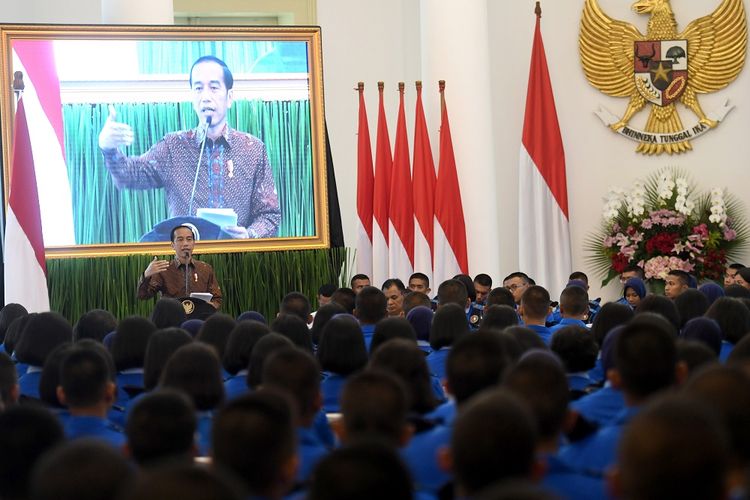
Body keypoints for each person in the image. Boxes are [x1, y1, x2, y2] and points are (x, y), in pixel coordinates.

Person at [98, 55, 280, 240]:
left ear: (229, 97)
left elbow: (269, 215)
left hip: (236, 261)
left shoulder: (253, 149)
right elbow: (129, 175)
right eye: (198, 88)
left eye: (214, 88)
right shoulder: (173, 147)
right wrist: (108, 148)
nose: (206, 97)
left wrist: (249, 234)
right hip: (184, 262)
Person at [138, 225, 222, 309]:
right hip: (171, 318)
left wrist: (209, 306)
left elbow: (217, 299)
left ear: (193, 243)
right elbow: (143, 296)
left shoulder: (205, 269)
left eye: (189, 239)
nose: (185, 244)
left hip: (199, 318)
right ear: (172, 245)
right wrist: (146, 275)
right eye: (180, 239)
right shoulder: (164, 269)